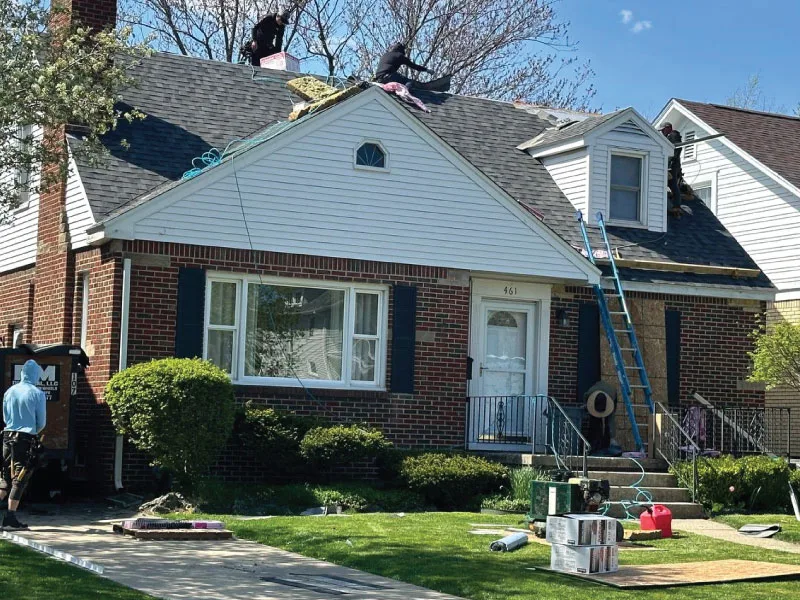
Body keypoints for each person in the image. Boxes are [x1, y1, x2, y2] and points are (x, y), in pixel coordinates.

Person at [0, 360, 46, 530]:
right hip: (25, 438)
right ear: (35, 375)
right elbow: (41, 422)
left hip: (7, 436)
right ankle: (10, 518)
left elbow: (5, 418)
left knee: (4, 477)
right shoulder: (37, 393)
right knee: (20, 477)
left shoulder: (9, 391)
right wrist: (33, 430)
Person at [661, 122, 683, 209]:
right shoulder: (668, 137)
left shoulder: (673, 135)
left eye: (663, 130)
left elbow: (677, 149)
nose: (662, 132)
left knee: (673, 183)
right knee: (670, 183)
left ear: (668, 128)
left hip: (673, 165)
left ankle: (677, 205)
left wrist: (671, 162)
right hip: (671, 163)